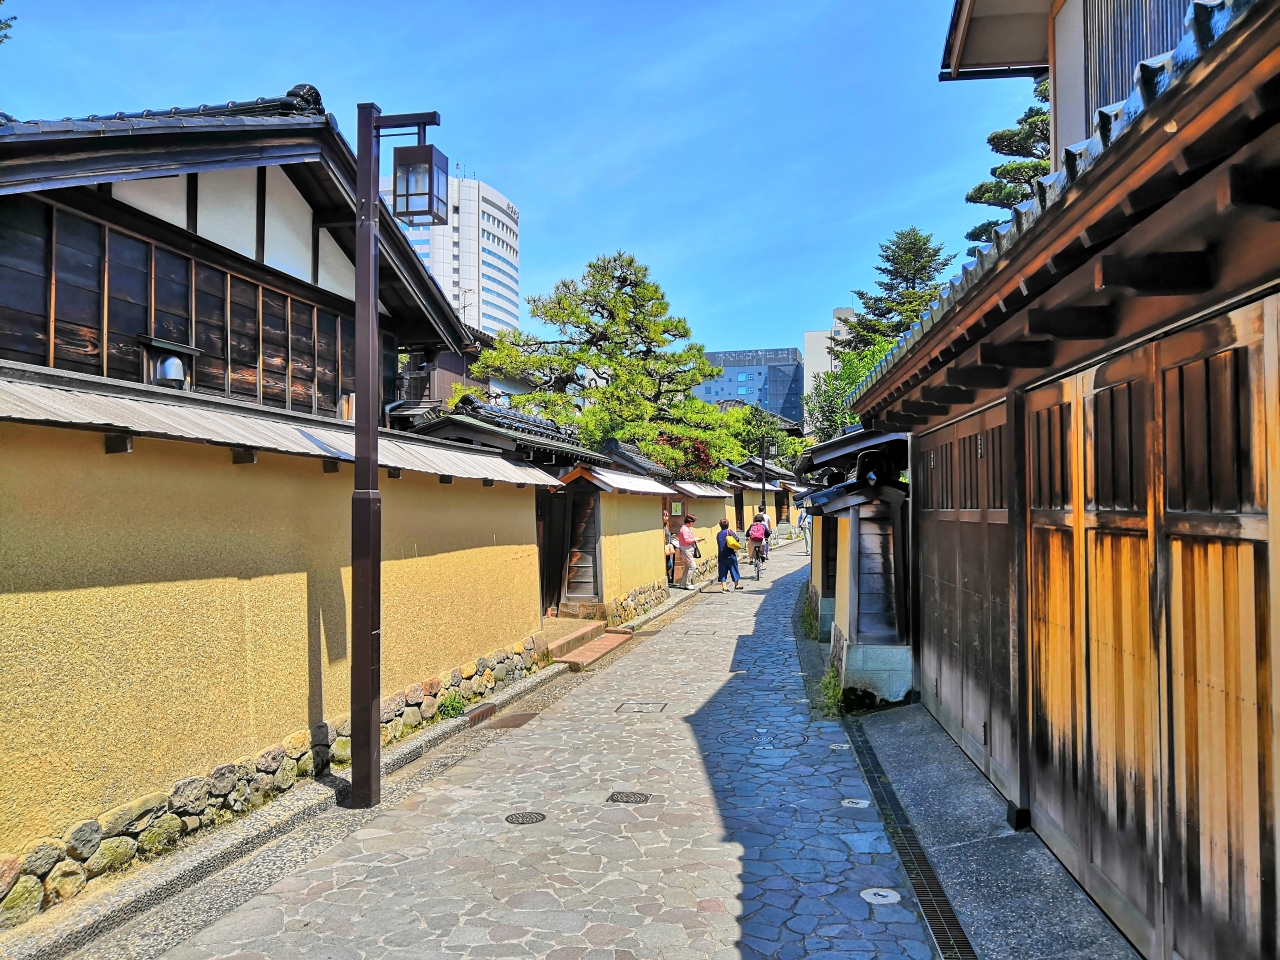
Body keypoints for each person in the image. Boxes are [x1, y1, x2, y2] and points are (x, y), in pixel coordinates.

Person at [677, 515, 704, 589]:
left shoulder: (687, 528)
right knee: (693, 566)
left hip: (688, 549)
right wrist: (695, 540)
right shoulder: (685, 529)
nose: (693, 523)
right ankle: (688, 584)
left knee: (687, 567)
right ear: (689, 522)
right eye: (693, 522)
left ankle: (682, 583)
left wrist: (695, 540)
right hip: (686, 550)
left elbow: (689, 539)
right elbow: (686, 540)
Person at [716, 518, 743, 591]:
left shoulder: (718, 534)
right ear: (728, 525)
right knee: (734, 569)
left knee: (722, 571)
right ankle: (736, 585)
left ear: (720, 526)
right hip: (730, 554)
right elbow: (737, 539)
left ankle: (724, 587)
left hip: (721, 555)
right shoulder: (729, 531)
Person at [663, 510, 676, 584]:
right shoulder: (661, 526)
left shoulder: (666, 525)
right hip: (664, 548)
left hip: (668, 548)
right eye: (664, 516)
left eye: (667, 516)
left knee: (669, 564)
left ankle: (668, 578)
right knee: (669, 564)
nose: (666, 518)